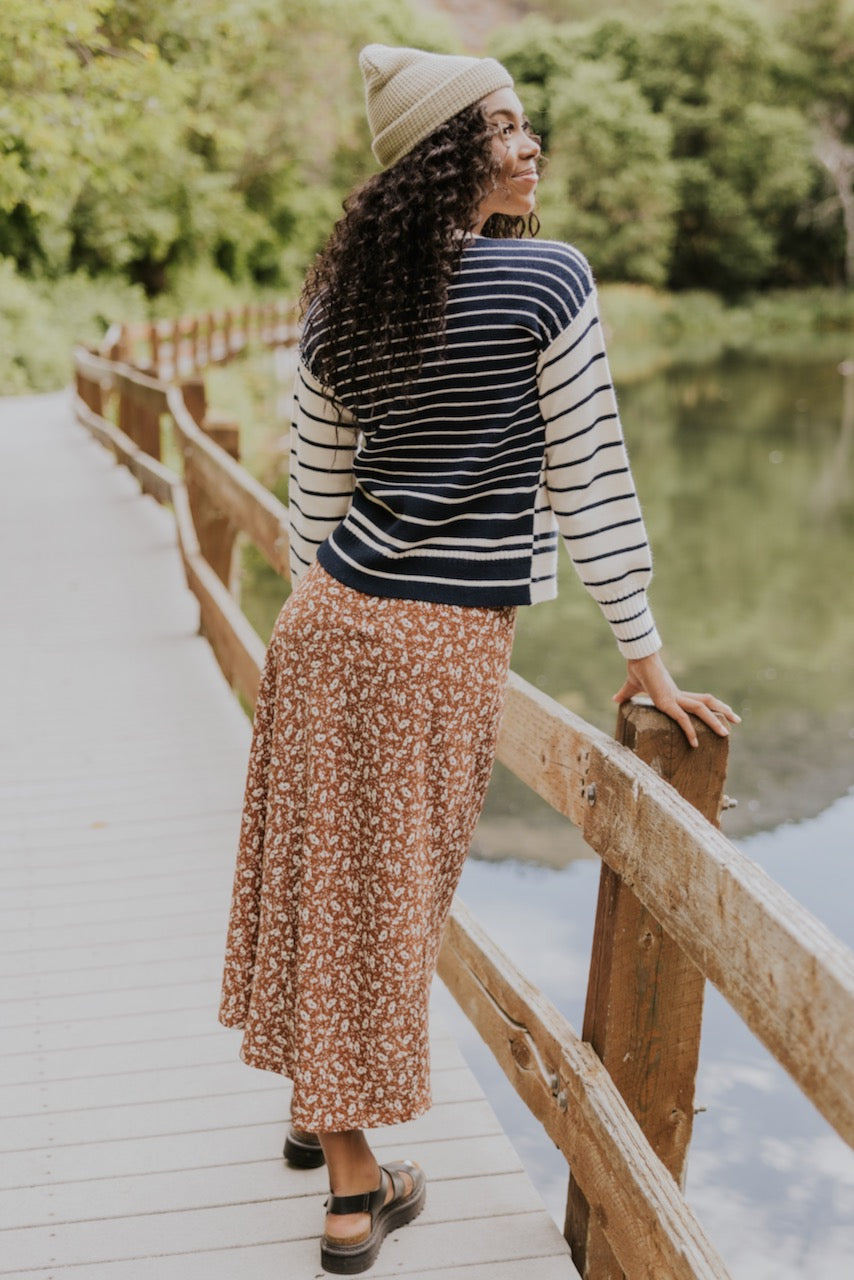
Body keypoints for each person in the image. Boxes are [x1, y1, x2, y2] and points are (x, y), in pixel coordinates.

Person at [219, 43, 739, 1275]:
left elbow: (316, 498)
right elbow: (593, 480)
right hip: (439, 640)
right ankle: (355, 1186)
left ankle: (317, 1103)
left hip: (330, 619)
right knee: (388, 895)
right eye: (501, 126)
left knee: (318, 874)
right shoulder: (546, 282)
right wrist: (643, 655)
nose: (528, 141)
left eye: (522, 121)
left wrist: (333, 624)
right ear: (449, 155)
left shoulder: (342, 303)